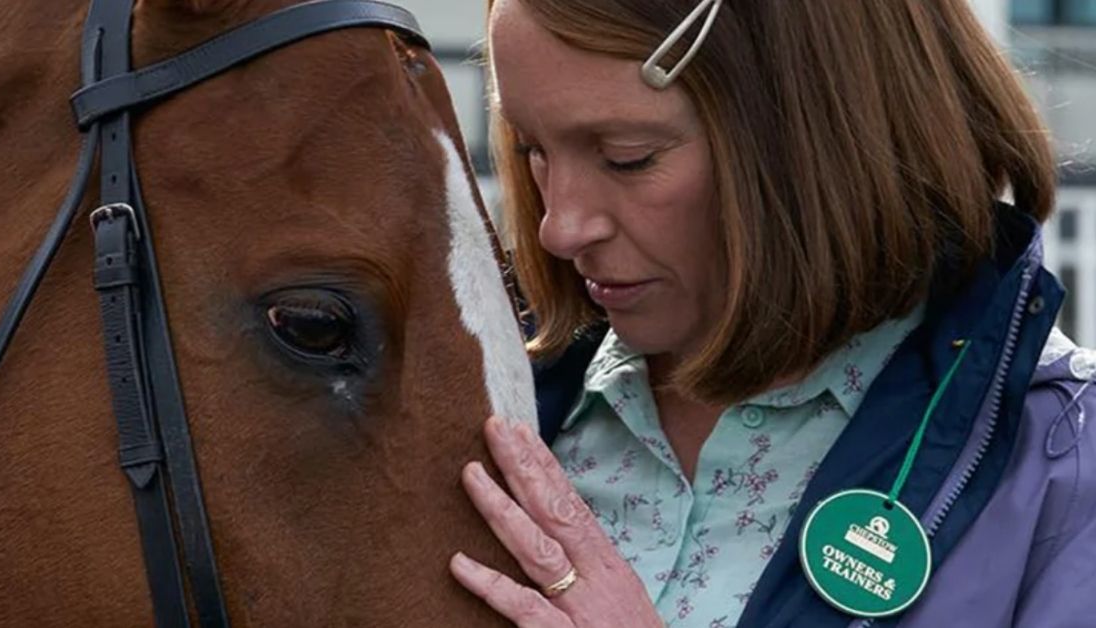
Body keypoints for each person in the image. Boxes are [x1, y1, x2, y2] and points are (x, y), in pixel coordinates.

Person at [445, 0, 1096, 627]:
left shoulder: (1067, 467)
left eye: (627, 156)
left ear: (831, 131)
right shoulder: (474, 409)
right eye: (532, 148)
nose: (560, 228)